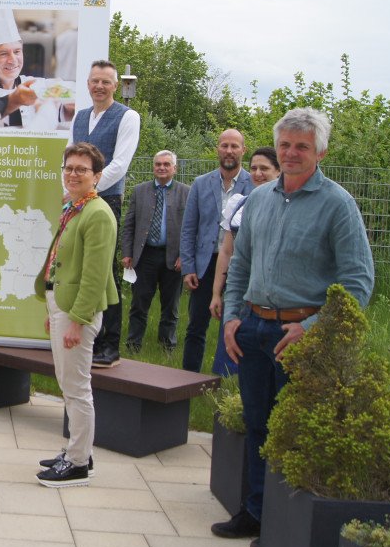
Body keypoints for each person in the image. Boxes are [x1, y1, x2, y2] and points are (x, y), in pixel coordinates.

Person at [212, 108, 374, 547]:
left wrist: (315, 327)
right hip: (253, 331)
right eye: (285, 144)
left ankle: (287, 530)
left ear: (320, 150)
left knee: (295, 433)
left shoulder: (337, 205)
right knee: (257, 424)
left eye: (302, 146)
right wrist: (231, 318)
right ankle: (257, 512)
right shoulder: (259, 199)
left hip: (301, 339)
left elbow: (359, 282)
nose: (291, 153)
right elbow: (240, 265)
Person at [34, 142, 118, 487]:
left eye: (82, 170)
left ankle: (79, 462)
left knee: (77, 388)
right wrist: (56, 312)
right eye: (69, 168)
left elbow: (96, 275)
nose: (73, 174)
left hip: (77, 311)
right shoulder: (75, 207)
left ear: (97, 176)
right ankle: (78, 449)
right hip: (63, 306)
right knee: (69, 384)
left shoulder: (97, 214)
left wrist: (78, 321)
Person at [71, 60, 141, 367]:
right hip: (78, 201)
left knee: (105, 274)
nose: (99, 86)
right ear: (88, 84)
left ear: (115, 86)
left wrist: (90, 188)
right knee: (81, 270)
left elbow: (120, 164)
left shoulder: (128, 117)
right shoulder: (80, 117)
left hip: (105, 201)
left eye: (106, 82)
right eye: (94, 81)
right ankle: (88, 337)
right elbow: (74, 160)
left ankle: (110, 344)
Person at [179, 129, 252, 373]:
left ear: (243, 150)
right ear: (218, 149)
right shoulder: (201, 184)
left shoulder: (255, 184)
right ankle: (188, 380)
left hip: (239, 265)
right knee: (196, 326)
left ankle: (227, 380)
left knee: (232, 325)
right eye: (224, 146)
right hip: (205, 265)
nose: (229, 151)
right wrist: (188, 267)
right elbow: (189, 228)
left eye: (234, 146)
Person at [208, 147, 281, 375]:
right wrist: (216, 293)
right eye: (255, 168)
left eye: (265, 168)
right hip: (239, 287)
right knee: (232, 347)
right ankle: (228, 403)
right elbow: (227, 251)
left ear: (279, 172)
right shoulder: (239, 204)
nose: (258, 173)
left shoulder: (284, 206)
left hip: (267, 291)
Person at [120, 150, 190, 352]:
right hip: (145, 256)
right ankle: (133, 346)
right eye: (158, 164)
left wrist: (184, 256)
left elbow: (192, 228)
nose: (162, 167)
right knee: (139, 304)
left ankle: (167, 348)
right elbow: (129, 225)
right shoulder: (140, 191)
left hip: (173, 258)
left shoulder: (186, 192)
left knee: (171, 308)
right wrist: (127, 252)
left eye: (166, 164)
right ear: (153, 167)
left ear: (174, 168)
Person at [0, 9, 55, 130]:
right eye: (3, 54)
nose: (13, 60)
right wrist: (14, 100)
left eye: (17, 51)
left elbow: (64, 111)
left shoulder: (35, 84)